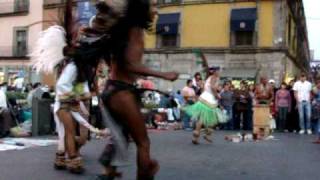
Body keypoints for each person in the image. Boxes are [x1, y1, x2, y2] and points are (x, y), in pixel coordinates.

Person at [77, 0, 179, 179]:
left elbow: (122, 63)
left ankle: (108, 171)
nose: (156, 11)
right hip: (120, 92)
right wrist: (164, 74)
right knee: (143, 142)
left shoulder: (123, 31)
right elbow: (131, 65)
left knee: (122, 133)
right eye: (153, 6)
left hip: (112, 91)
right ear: (142, 8)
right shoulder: (134, 30)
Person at [185, 67, 222, 144]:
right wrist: (217, 95)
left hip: (204, 98)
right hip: (209, 99)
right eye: (219, 71)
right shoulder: (214, 77)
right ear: (215, 72)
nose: (220, 72)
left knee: (202, 118)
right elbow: (212, 87)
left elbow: (205, 88)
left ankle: (196, 137)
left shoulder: (208, 78)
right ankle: (207, 135)